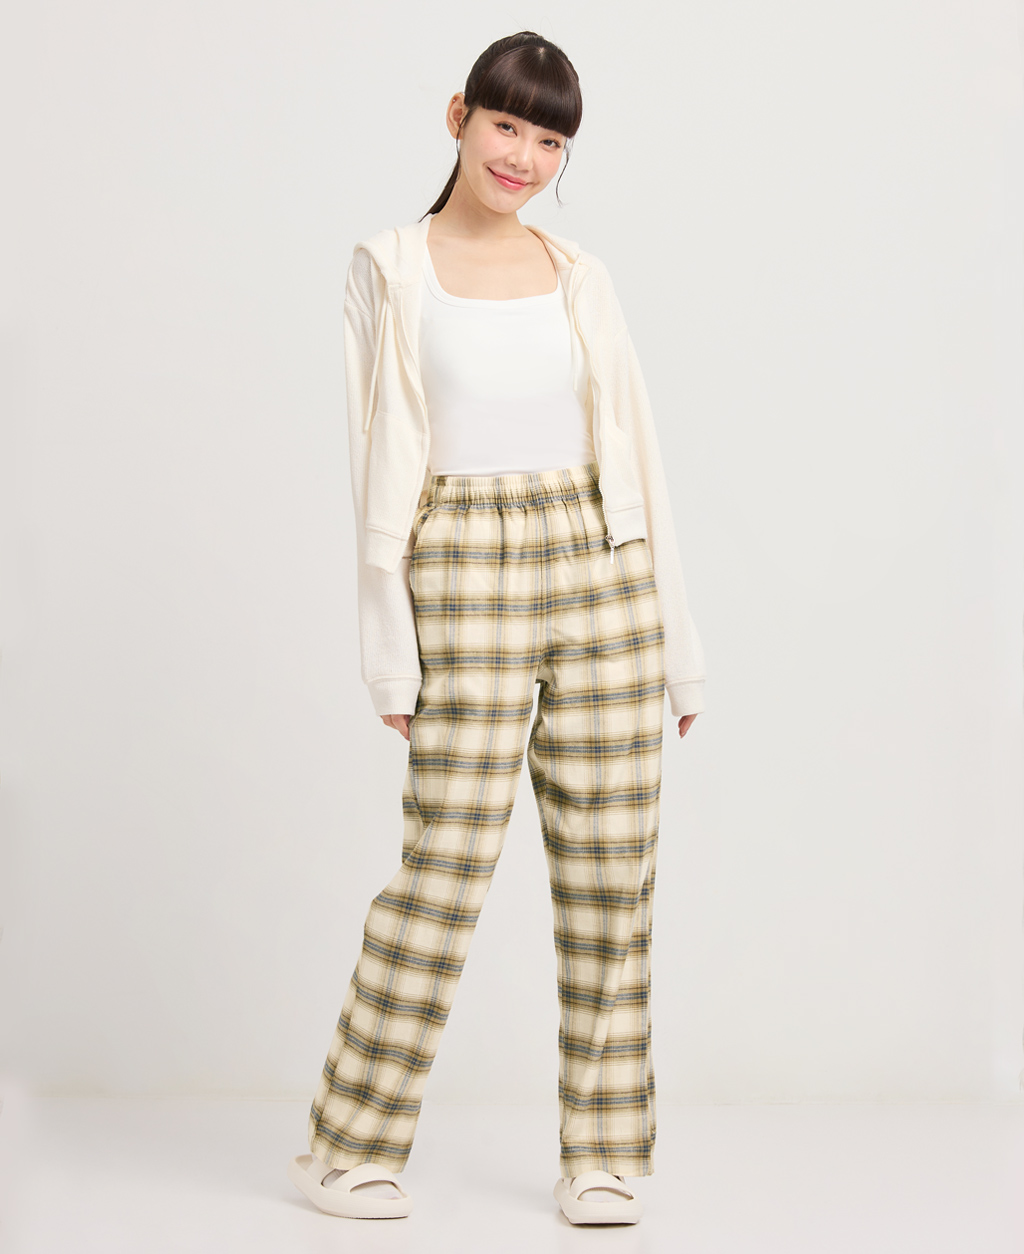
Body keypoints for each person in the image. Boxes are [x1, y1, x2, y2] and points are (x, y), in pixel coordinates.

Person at [286, 29, 705, 1226]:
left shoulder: (581, 276)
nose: (523, 155)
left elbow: (638, 455)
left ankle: (603, 1154)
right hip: (459, 560)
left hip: (601, 559)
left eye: (550, 139)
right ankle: (346, 1146)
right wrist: (389, 651)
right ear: (459, 115)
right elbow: (371, 465)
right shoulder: (387, 269)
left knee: (612, 870)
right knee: (445, 867)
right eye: (507, 124)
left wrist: (680, 647)